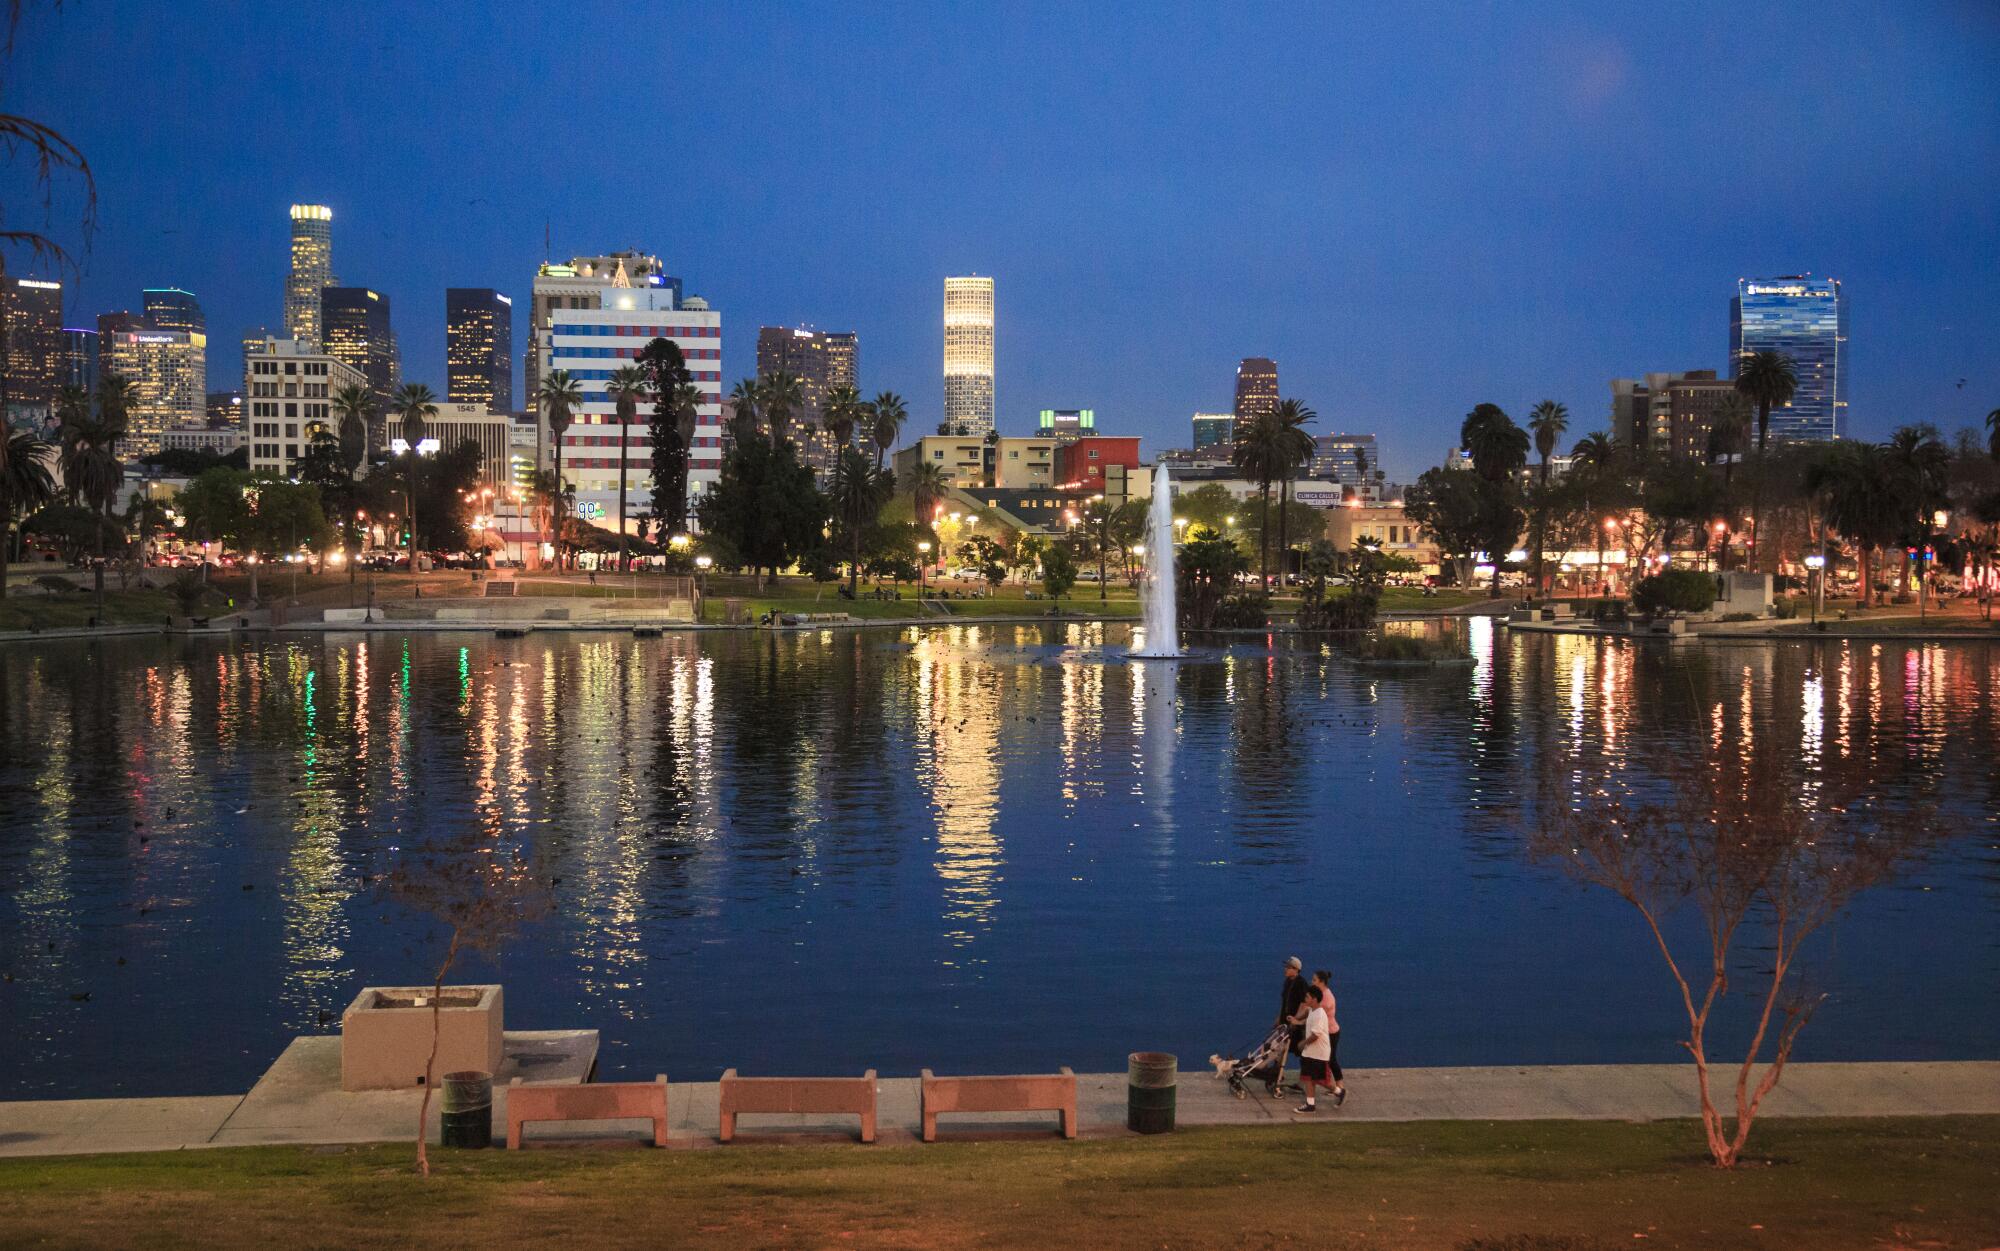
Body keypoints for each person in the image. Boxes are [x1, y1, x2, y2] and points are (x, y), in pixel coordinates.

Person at [1272, 956, 1308, 1095]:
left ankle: (1303, 1082)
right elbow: (1284, 1002)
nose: (1285, 969)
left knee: (1302, 1053)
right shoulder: (1288, 982)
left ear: (1296, 970)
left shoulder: (1301, 983)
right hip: (1285, 1022)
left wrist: (1295, 1020)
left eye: (1288, 967)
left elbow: (1303, 1004)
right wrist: (1278, 1019)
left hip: (1295, 1025)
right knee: (1278, 1048)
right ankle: (1277, 1074)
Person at [1295, 984, 1334, 1113]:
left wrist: (1303, 1043)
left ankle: (1339, 1091)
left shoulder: (1319, 1014)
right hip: (1310, 1052)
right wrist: (1295, 1019)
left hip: (1318, 1053)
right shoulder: (1312, 1010)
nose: (1305, 998)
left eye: (1308, 997)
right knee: (1308, 1078)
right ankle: (1310, 1104)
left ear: (1315, 999)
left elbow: (1315, 1035)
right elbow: (1306, 1013)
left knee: (1321, 1080)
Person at [1313, 969, 1346, 1107]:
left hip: (1331, 1032)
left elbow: (1317, 1012)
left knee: (1331, 1059)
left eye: (1314, 980)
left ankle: (1340, 1087)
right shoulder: (1322, 994)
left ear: (1321, 982)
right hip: (1327, 1032)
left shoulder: (1326, 997)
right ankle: (1336, 1087)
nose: (1312, 982)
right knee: (1329, 1059)